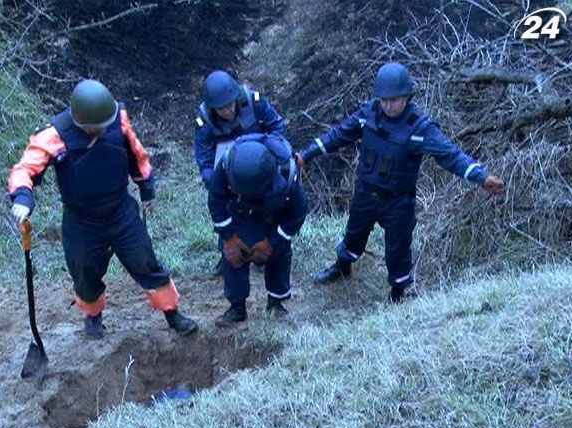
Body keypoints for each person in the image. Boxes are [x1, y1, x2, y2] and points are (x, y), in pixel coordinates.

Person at [295, 62, 504, 303]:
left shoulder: (420, 127)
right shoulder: (369, 114)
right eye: (384, 100)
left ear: (406, 96)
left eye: (394, 100)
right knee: (353, 234)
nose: (388, 105)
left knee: (398, 247)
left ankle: (397, 291)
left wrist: (480, 176)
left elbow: (450, 155)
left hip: (398, 200)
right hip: (365, 192)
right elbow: (338, 134)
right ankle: (342, 267)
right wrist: (307, 154)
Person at [8, 79, 198, 338]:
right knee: (85, 272)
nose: (100, 132)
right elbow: (25, 169)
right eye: (94, 129)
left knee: (146, 262)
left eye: (103, 127)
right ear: (80, 122)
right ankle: (93, 316)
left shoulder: (117, 119)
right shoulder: (55, 135)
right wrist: (22, 197)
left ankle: (172, 314)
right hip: (82, 220)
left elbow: (136, 153)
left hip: (121, 211)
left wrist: (146, 188)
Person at [208, 133, 308, 326]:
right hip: (240, 213)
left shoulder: (287, 175)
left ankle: (276, 303)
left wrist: (272, 243)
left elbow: (298, 213)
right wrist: (229, 238)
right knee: (233, 257)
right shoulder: (227, 165)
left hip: (274, 216)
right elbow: (216, 200)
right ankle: (237, 307)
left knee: (279, 256)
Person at [195, 70, 287, 276]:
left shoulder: (254, 103)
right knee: (227, 211)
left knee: (266, 209)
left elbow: (277, 127)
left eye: (229, 105)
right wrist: (213, 182)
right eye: (220, 109)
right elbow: (204, 156)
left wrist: (271, 156)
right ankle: (226, 255)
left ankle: (263, 252)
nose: (227, 112)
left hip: (258, 167)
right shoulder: (205, 121)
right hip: (227, 173)